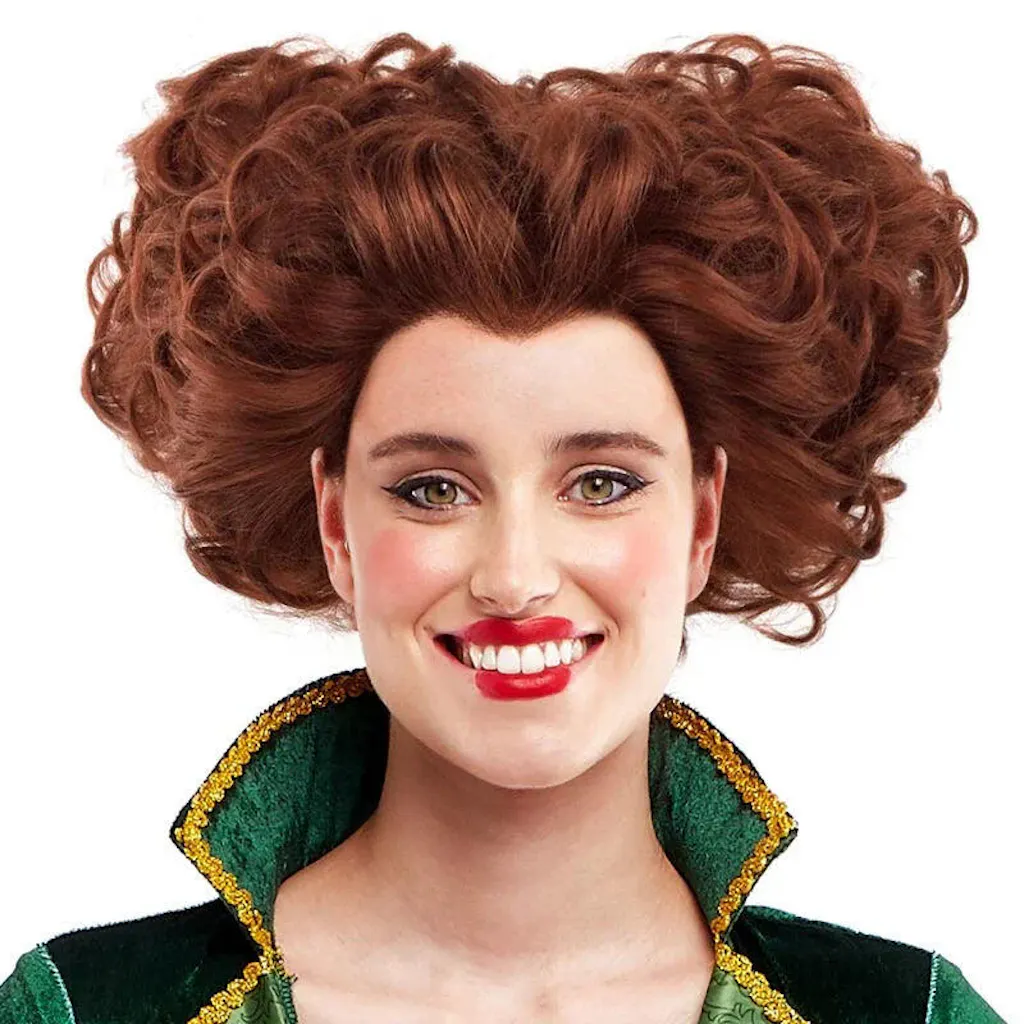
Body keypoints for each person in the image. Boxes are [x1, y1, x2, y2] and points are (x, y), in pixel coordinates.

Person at [0, 29, 1004, 1024]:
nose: (516, 577)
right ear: (336, 524)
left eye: (601, 483)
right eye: (434, 489)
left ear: (702, 520)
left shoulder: (904, 1012)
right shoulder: (86, 1010)